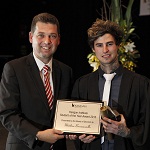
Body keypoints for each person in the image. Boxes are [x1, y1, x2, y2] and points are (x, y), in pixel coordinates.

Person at [69, 19, 150, 150]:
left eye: (109, 44)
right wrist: (79, 135)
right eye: (99, 45)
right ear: (93, 49)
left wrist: (127, 132)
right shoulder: (82, 84)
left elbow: (147, 126)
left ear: (118, 45)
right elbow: (76, 124)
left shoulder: (140, 84)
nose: (105, 50)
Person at [0, 12, 73, 150]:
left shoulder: (66, 71)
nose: (47, 41)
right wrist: (38, 134)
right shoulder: (14, 68)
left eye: (52, 36)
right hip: (24, 146)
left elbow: (68, 111)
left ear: (58, 40)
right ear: (30, 37)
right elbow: (7, 113)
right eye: (41, 35)